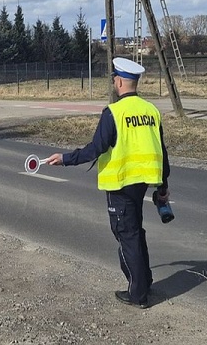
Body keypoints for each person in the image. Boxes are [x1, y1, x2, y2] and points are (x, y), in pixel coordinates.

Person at [44, 57, 170, 309]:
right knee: (136, 232)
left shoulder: (113, 112)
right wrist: (163, 187)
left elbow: (96, 148)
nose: (113, 82)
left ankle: (138, 294)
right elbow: (162, 152)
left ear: (120, 81)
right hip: (143, 182)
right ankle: (145, 282)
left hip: (120, 183)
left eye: (114, 79)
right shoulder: (150, 111)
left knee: (126, 235)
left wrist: (65, 159)